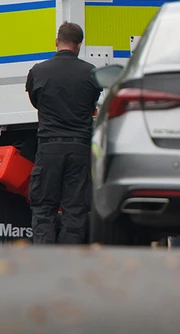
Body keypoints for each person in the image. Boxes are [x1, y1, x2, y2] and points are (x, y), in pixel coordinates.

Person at [25, 22, 103, 244]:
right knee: (75, 211)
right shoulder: (92, 73)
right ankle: (68, 259)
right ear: (79, 45)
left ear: (56, 42)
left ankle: (43, 258)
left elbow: (36, 102)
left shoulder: (38, 71)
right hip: (79, 149)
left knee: (43, 209)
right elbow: (92, 104)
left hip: (49, 148)